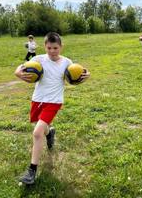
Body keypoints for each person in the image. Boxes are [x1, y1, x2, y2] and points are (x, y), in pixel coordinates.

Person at [15, 32, 90, 185]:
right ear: (45, 46)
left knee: (37, 133)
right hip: (38, 99)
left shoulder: (66, 62)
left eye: (55, 48)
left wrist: (86, 75)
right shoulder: (38, 59)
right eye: (49, 48)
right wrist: (17, 72)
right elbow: (21, 67)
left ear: (61, 47)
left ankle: (32, 171)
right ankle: (50, 133)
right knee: (43, 128)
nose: (52, 51)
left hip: (54, 102)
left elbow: (79, 72)